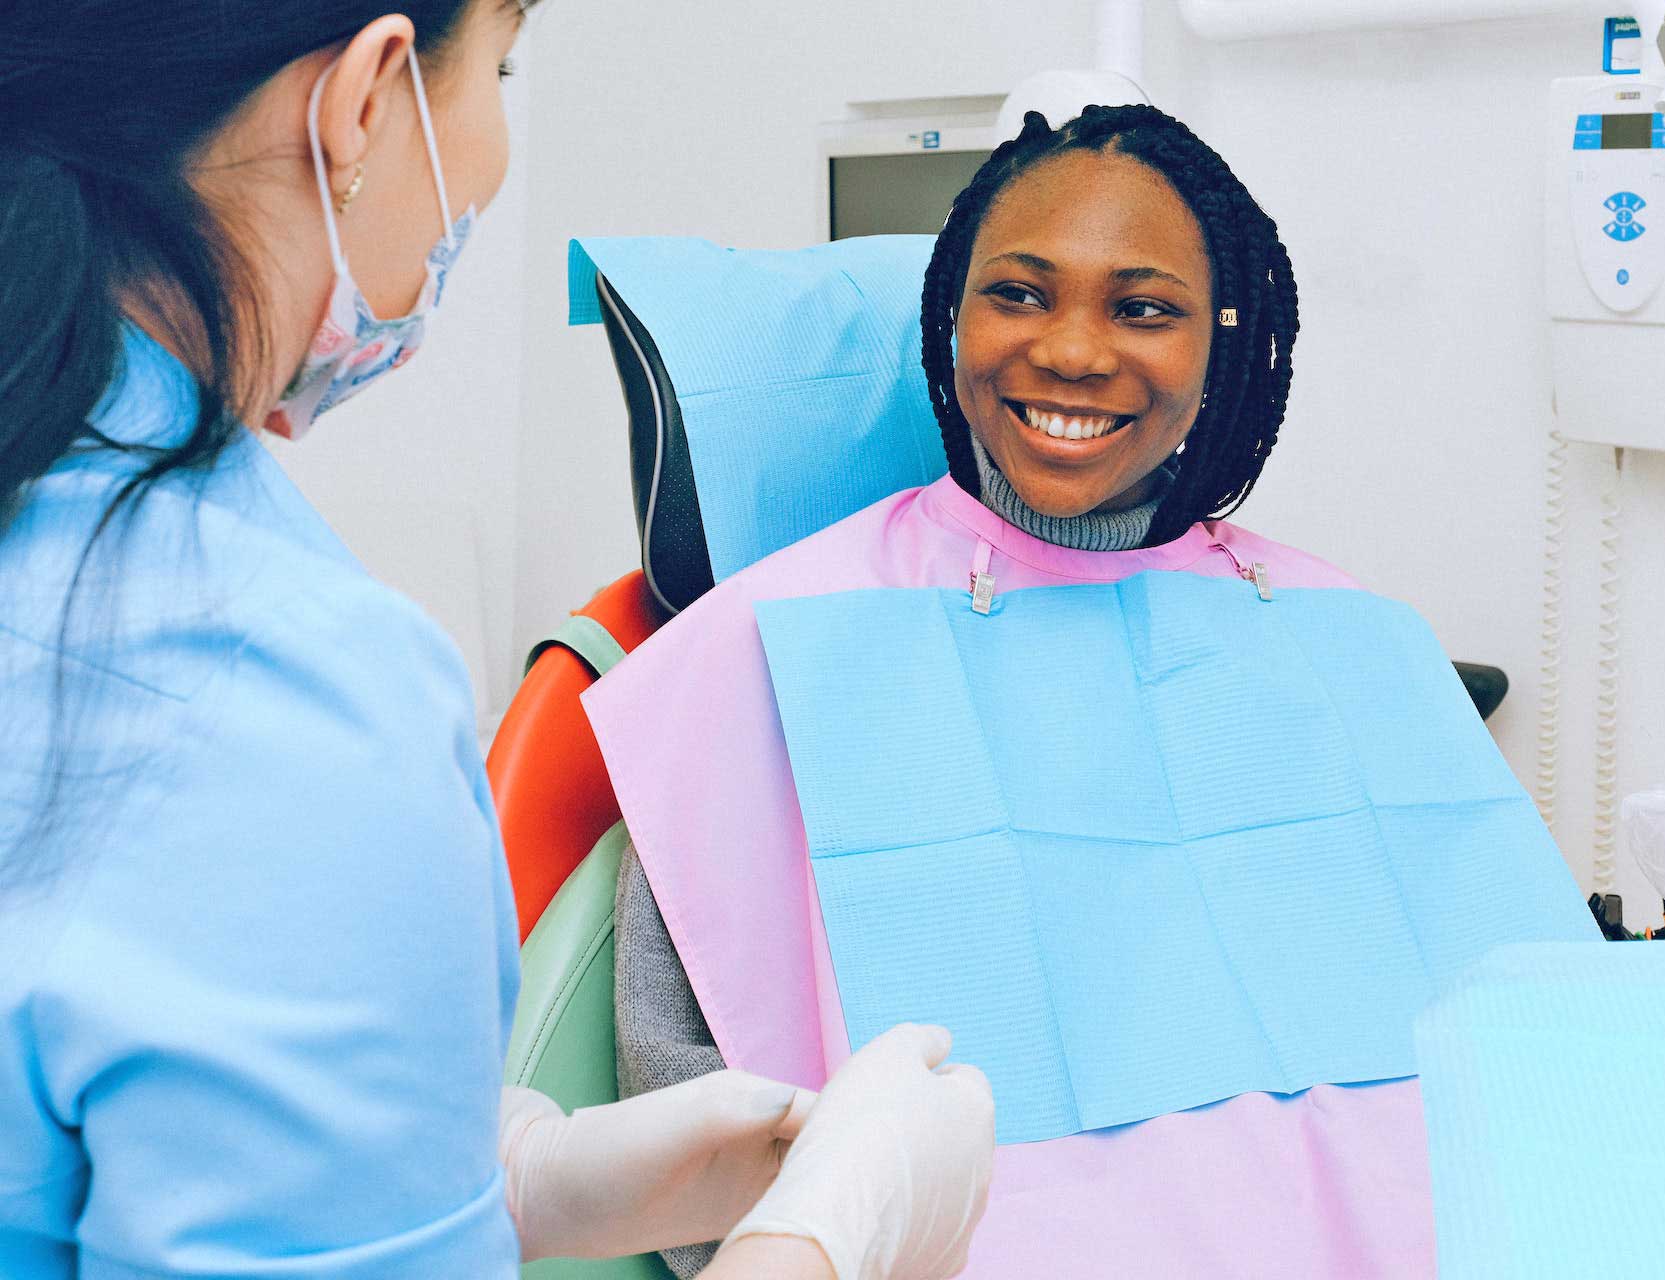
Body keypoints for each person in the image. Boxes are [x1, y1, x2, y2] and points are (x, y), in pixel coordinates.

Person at [0, 4, 993, 1277]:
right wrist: (820, 1241)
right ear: (365, 99)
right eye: (503, 66)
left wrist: (489, 1175)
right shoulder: (287, 697)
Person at [588, 105, 1446, 1277]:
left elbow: (1486, 1037)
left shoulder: (1336, 635)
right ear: (950, 319)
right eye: (1022, 294)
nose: (1075, 352)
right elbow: (686, 1109)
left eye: (1143, 307)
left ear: (1223, 346)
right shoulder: (767, 643)